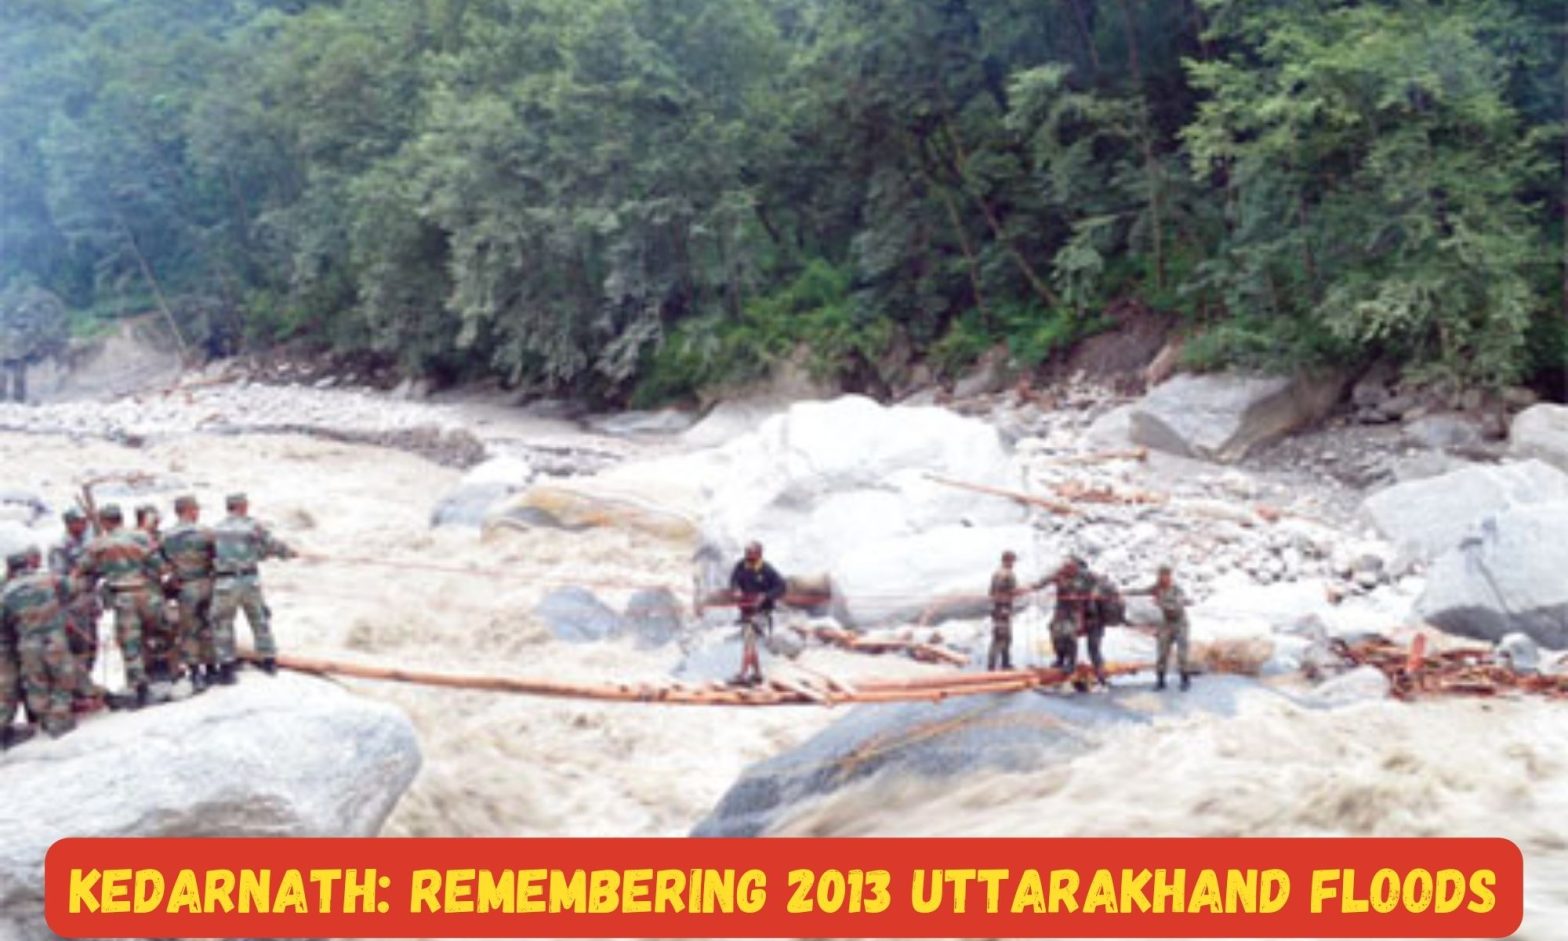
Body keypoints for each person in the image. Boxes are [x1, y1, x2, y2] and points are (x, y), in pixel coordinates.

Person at [79, 503, 159, 707]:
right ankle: (164, 673)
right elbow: (158, 565)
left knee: (130, 643)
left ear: (105, 522)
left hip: (122, 597)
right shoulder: (140, 537)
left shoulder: (99, 544)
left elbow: (83, 569)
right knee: (155, 634)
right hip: (147, 593)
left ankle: (141, 690)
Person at [210, 493, 295, 681]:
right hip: (249, 580)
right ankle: (269, 661)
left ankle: (226, 668)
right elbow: (272, 544)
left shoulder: (216, 529)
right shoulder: (252, 526)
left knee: (223, 623)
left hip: (225, 582)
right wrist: (288, 553)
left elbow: (211, 554)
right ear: (242, 506)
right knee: (259, 619)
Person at [2, 548, 81, 738]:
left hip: (27, 642)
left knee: (36, 682)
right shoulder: (50, 579)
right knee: (63, 676)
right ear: (28, 563)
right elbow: (73, 589)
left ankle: (45, 719)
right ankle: (60, 716)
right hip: (54, 637)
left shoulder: (5, 592)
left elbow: (4, 621)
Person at [160, 495, 216, 692]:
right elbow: (217, 556)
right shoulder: (206, 532)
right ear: (190, 510)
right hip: (206, 582)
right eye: (196, 509)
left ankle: (195, 672)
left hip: (184, 587)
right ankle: (212, 668)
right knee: (209, 626)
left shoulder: (166, 536)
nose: (198, 513)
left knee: (189, 631)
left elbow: (161, 562)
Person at [49, 508, 102, 693]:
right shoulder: (60, 547)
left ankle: (86, 683)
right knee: (79, 646)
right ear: (70, 524)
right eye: (79, 521)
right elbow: (60, 579)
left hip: (90, 599)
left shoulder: (89, 541)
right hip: (74, 603)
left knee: (93, 643)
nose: (84, 524)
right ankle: (80, 688)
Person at [727, 541, 786, 686]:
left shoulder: (767, 570)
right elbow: (733, 580)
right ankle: (757, 674)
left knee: (749, 640)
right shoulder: (741, 565)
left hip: (762, 611)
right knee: (750, 641)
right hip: (746, 609)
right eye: (746, 553)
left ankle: (743, 674)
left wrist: (766, 596)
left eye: (751, 554)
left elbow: (782, 586)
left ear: (759, 554)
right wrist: (736, 589)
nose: (748, 557)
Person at [1046, 556, 1105, 690]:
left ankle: (1100, 678)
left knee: (1093, 649)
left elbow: (1096, 592)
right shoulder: (1074, 580)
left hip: (1094, 621)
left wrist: (1092, 597)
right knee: (1058, 632)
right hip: (1081, 618)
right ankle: (1062, 660)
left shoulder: (1089, 581)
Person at [1132, 565, 1192, 691]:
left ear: (1169, 576)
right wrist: (1123, 592)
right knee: (1161, 653)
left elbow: (1177, 607)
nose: (1161, 578)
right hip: (1165, 624)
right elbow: (1141, 592)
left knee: (1182, 654)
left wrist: (1161, 604)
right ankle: (1160, 680)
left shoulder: (1177, 590)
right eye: (1160, 575)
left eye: (1164, 575)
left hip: (1180, 624)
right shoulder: (1156, 588)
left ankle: (1185, 679)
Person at [987, 551, 1021, 671]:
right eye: (1012, 561)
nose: (1013, 563)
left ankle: (1005, 663)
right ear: (1008, 560)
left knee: (1005, 637)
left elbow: (991, 592)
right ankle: (993, 666)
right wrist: (1021, 591)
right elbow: (1012, 591)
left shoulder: (996, 573)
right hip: (1003, 609)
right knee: (1000, 638)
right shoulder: (1008, 574)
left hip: (998, 609)